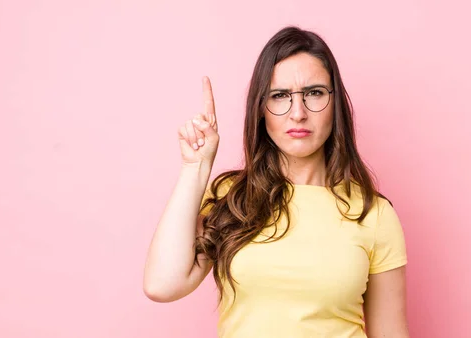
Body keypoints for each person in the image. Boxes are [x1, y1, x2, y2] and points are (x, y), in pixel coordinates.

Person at [144, 26, 409, 338]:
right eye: (280, 96)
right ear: (261, 109)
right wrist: (196, 166)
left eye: (314, 93)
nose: (298, 113)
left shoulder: (373, 213)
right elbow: (162, 285)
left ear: (335, 104)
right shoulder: (232, 199)